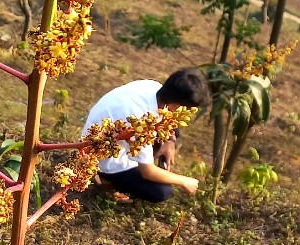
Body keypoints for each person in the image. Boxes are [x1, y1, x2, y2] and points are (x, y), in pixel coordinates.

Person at [82, 68, 211, 203]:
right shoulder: (139, 121)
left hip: (109, 136)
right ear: (175, 106)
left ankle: (142, 158)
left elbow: (170, 119)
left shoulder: (153, 87)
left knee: (168, 134)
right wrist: (184, 181)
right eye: (186, 109)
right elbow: (148, 173)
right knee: (161, 191)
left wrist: (170, 141)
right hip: (104, 160)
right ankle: (105, 180)